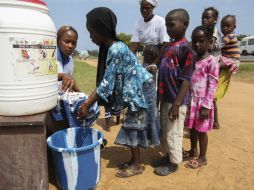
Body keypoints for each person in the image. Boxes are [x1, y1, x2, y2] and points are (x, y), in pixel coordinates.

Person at [78, 7, 160, 178]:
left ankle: (137, 165)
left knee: (133, 126)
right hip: (138, 90)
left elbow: (106, 84)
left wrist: (86, 105)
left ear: (101, 30)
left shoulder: (115, 48)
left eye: (91, 32)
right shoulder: (114, 47)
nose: (91, 36)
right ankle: (134, 160)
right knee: (132, 124)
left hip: (141, 91)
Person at [153, 9, 195, 176]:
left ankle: (174, 162)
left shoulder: (187, 49)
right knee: (164, 130)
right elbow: (156, 65)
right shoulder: (168, 46)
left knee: (174, 132)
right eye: (167, 25)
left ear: (185, 25)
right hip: (165, 97)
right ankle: (167, 155)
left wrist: (177, 104)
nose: (169, 28)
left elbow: (186, 79)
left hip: (176, 101)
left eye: (172, 24)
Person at [184, 26, 219, 169]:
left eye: (201, 41)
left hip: (203, 102)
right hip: (191, 100)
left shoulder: (212, 61)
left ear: (209, 42)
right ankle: (193, 150)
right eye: (194, 41)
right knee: (192, 128)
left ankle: (203, 157)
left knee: (201, 130)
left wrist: (207, 105)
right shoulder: (192, 59)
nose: (197, 44)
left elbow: (212, 84)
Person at [201, 7, 223, 129]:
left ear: (215, 20)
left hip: (212, 65)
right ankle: (213, 121)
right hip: (208, 64)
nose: (204, 20)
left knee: (209, 94)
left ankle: (213, 121)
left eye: (208, 17)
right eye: (203, 17)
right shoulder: (206, 30)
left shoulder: (213, 31)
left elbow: (210, 47)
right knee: (208, 94)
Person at [214, 15, 240, 113]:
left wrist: (210, 45)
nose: (225, 28)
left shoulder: (229, 36)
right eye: (223, 26)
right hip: (227, 59)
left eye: (228, 26)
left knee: (214, 66)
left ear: (234, 27)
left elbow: (219, 45)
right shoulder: (226, 36)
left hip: (232, 60)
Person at [57, 25, 80, 93]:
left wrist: (84, 96)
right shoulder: (50, 58)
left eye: (74, 43)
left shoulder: (70, 60)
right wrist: (62, 75)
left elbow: (69, 83)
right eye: (67, 42)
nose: (70, 46)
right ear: (58, 41)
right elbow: (44, 77)